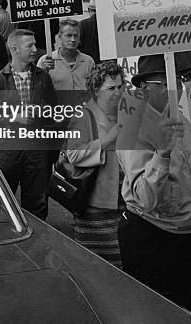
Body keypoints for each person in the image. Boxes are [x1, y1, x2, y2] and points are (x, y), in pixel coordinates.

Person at [117, 54, 191, 312]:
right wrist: (162, 154)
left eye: (178, 80)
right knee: (152, 312)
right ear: (144, 88)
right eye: (164, 81)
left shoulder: (181, 122)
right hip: (151, 235)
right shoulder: (133, 127)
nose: (174, 88)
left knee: (183, 306)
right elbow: (145, 199)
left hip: (185, 234)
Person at [0, 29, 56, 220]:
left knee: (37, 202)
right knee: (0, 200)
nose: (35, 49)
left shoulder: (43, 77)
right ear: (14, 49)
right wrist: (16, 117)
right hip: (7, 151)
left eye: (34, 44)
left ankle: (38, 242)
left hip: (37, 150)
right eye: (30, 45)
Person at [64, 61, 125, 267]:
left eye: (120, 87)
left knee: (121, 262)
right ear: (96, 90)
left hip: (122, 202)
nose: (117, 92)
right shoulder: (84, 116)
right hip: (95, 205)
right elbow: (74, 155)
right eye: (111, 88)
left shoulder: (124, 113)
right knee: (96, 265)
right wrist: (110, 138)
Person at [37, 19, 94, 104]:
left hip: (83, 113)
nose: (73, 39)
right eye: (68, 35)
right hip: (58, 113)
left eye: (76, 36)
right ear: (60, 36)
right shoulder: (46, 60)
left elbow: (94, 89)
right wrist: (43, 73)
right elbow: (37, 91)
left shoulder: (88, 61)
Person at [79, 0, 101, 64]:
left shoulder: (81, 25)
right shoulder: (110, 24)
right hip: (106, 66)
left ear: (89, 10)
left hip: (86, 65)